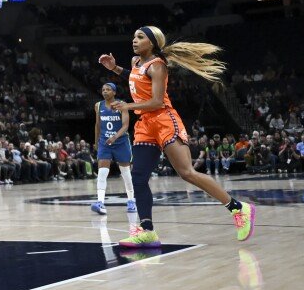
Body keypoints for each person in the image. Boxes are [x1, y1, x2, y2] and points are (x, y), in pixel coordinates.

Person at [98, 26, 255, 249]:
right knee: (138, 178)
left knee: (187, 173)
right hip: (145, 125)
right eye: (134, 37)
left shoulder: (158, 66)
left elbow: (157, 101)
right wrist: (115, 69)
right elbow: (133, 77)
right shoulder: (136, 62)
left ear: (152, 43)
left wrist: (128, 105)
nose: (134, 40)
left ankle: (238, 208)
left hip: (164, 120)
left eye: (140, 37)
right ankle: (147, 231)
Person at [90, 82, 137, 216]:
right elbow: (98, 125)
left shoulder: (122, 105)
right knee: (102, 172)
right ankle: (100, 203)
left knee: (126, 173)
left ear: (114, 92)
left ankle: (131, 200)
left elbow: (125, 126)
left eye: (108, 89)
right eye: (103, 89)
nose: (105, 91)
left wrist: (115, 137)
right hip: (105, 143)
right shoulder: (98, 105)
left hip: (121, 142)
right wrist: (96, 142)